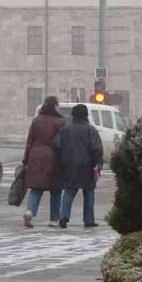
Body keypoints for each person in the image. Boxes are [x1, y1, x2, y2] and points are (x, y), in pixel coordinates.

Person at [53, 103, 103, 229]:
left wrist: (60, 163)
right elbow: (96, 149)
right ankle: (88, 219)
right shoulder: (91, 130)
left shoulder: (65, 129)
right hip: (87, 165)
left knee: (69, 191)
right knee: (89, 193)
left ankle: (63, 216)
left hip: (69, 165)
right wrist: (97, 163)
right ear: (86, 115)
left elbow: (56, 146)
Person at [21, 96, 66, 227]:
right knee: (56, 189)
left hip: (35, 155)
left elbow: (29, 142)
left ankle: (30, 211)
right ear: (55, 106)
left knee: (36, 188)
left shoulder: (36, 121)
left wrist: (25, 160)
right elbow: (63, 143)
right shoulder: (60, 122)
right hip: (53, 157)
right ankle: (54, 219)